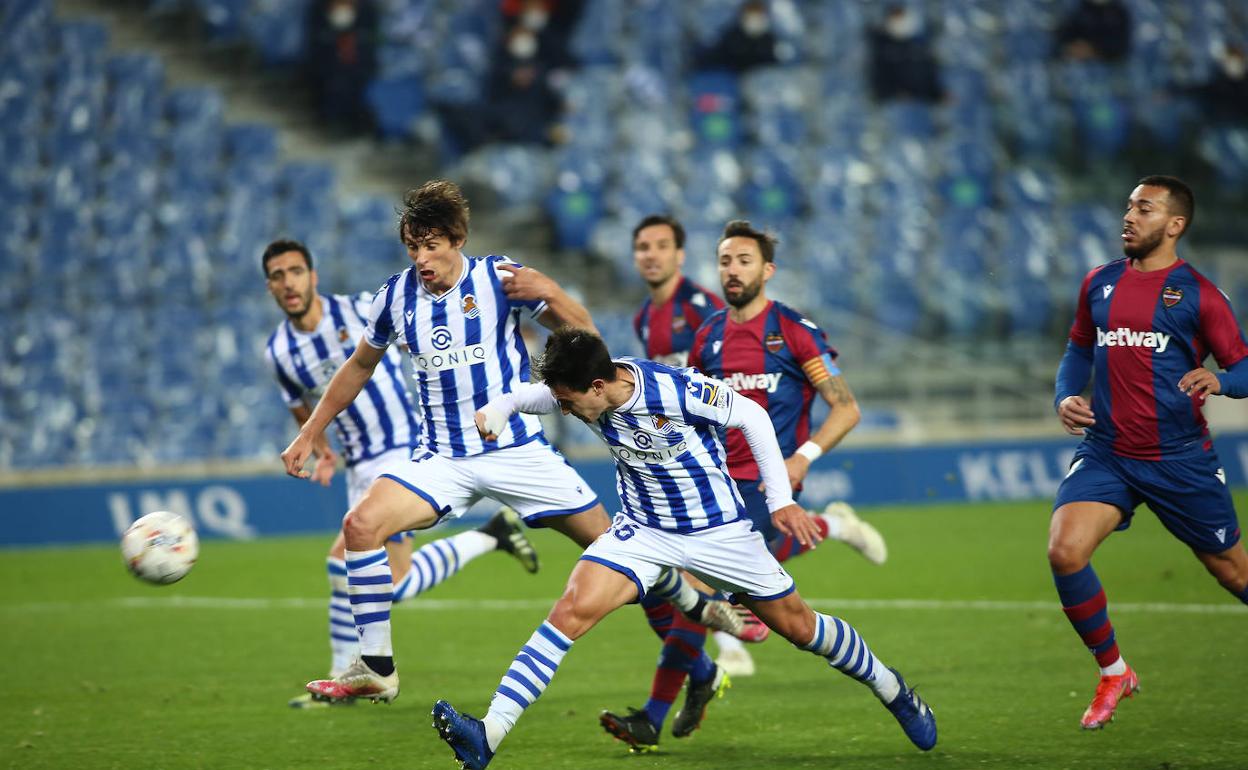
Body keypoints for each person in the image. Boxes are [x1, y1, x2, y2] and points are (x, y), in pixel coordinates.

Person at [280, 181, 753, 704]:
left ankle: (696, 640)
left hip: (519, 452)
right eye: (413, 247)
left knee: (618, 551)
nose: (421, 258)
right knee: (360, 526)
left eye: (431, 245)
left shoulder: (498, 278)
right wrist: (310, 430)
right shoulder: (394, 297)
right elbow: (358, 366)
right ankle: (376, 667)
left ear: (458, 238)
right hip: (443, 457)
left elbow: (588, 342)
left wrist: (550, 290)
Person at [431, 328, 938, 769]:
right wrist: (502, 407)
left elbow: (753, 417)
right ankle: (488, 735)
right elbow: (537, 396)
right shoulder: (583, 389)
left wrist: (780, 500)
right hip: (643, 531)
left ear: (599, 386)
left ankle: (891, 689)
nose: (563, 409)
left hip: (719, 532)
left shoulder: (675, 389)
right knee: (570, 611)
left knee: (801, 628)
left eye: (568, 402)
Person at [598, 220, 890, 749]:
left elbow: (846, 408)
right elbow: (687, 408)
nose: (733, 270)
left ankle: (654, 714)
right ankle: (703, 673)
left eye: (744, 260)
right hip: (710, 482)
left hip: (763, 483)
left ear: (767, 269)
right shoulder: (705, 335)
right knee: (660, 592)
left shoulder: (794, 330)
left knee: (699, 588)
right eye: (726, 261)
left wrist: (801, 458)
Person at [261, 238, 540, 707]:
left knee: (344, 563)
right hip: (358, 462)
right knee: (391, 583)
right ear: (269, 287)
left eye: (295, 271)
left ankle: (343, 677)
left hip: (400, 448)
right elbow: (300, 404)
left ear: (313, 276)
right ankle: (491, 536)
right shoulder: (279, 352)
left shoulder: (359, 309)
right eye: (277, 276)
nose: (288, 283)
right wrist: (321, 449)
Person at [1050, 175, 1248, 730]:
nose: (1129, 216)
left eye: (1144, 208)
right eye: (1129, 206)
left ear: (1175, 224)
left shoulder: (1201, 295)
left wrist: (1221, 381)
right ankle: (1114, 672)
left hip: (1178, 459)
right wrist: (1065, 395)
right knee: (1065, 552)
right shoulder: (1099, 282)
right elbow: (1077, 349)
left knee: (1232, 572)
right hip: (1108, 452)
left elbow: (1244, 367)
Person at [632, 214, 724, 367]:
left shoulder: (701, 306)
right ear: (635, 258)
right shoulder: (641, 317)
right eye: (643, 247)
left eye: (662, 246)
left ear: (680, 256)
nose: (651, 255)